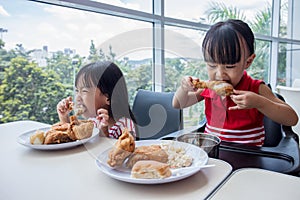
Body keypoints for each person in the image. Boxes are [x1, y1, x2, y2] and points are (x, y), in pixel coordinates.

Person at [173, 19, 298, 146]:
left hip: (249, 156)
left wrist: (259, 103)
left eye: (230, 66)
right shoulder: (209, 87)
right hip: (214, 152)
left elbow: (292, 119)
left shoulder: (257, 88)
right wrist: (184, 89)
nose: (220, 74)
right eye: (212, 65)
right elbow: (178, 104)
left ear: (248, 62)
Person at [57, 61, 137, 139]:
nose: (77, 97)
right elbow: (73, 136)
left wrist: (104, 133)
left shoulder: (125, 124)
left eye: (84, 91)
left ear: (108, 98)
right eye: (77, 91)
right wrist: (64, 117)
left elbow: (128, 149)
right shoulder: (93, 121)